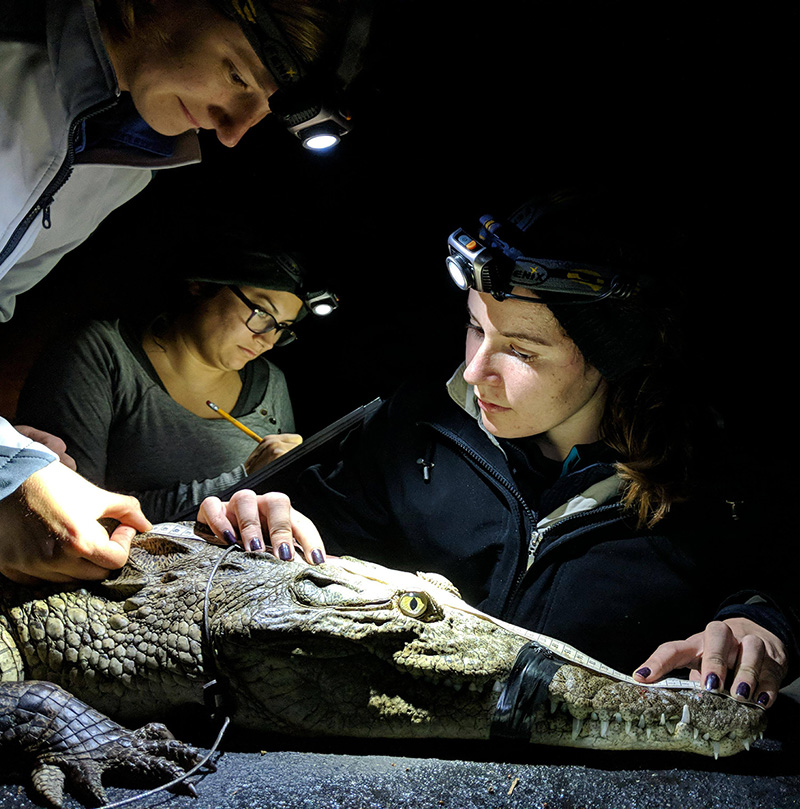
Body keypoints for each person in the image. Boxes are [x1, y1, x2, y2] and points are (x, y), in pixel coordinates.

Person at [199, 190, 797, 709]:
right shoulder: (414, 432)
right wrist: (268, 518)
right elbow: (312, 535)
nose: (475, 369)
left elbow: (778, 582)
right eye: (476, 327)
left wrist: (768, 627)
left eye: (523, 350)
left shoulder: (713, 478)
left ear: (614, 357)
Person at [0, 0, 341, 582]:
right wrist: (11, 471)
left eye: (258, 111)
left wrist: (21, 454)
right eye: (237, 74)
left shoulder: (130, 158)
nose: (231, 133)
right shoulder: (104, 356)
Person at [15, 240, 337, 525]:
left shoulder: (271, 385)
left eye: (282, 327)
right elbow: (73, 515)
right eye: (261, 312)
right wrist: (243, 479)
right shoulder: (102, 355)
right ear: (200, 283)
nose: (267, 339)